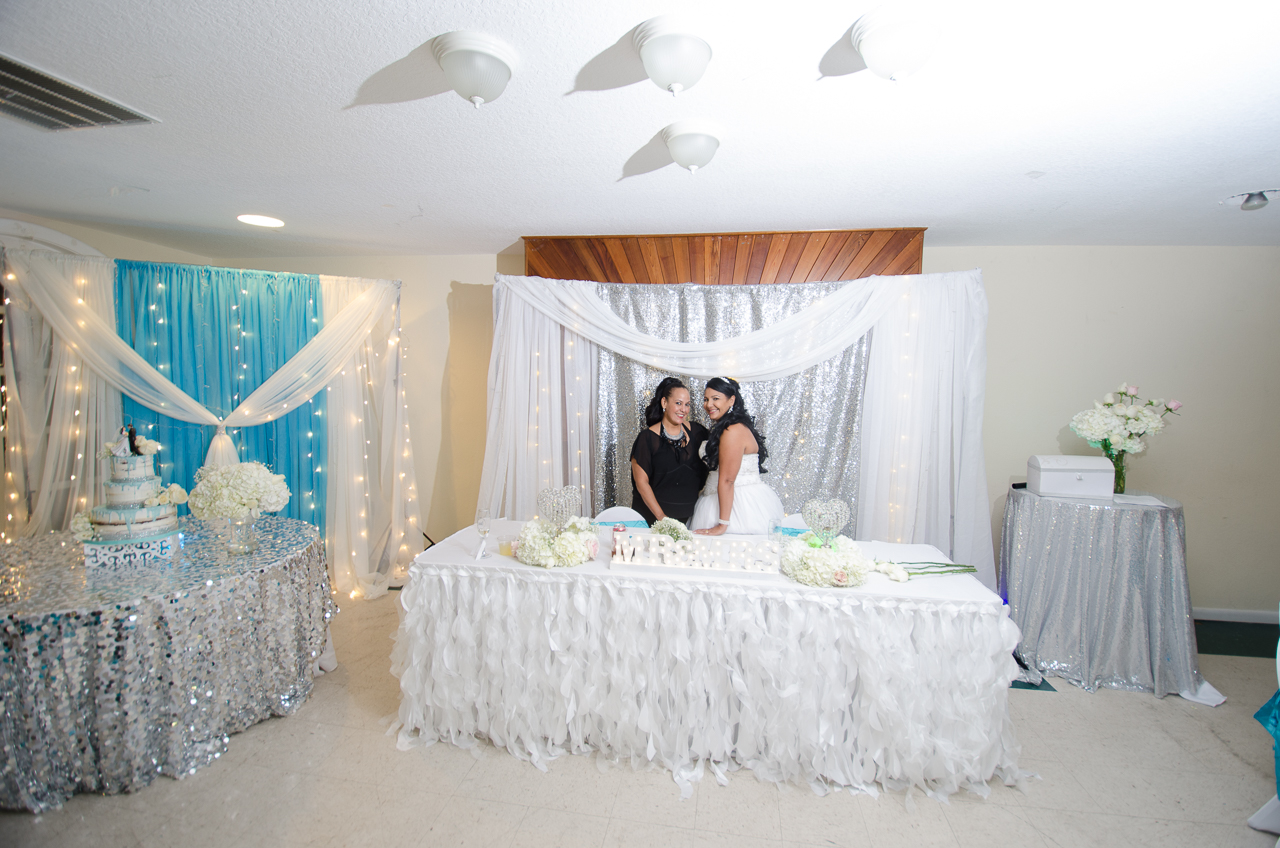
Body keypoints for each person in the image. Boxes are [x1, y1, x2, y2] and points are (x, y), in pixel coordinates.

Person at [690, 377, 784, 536]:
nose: (709, 404)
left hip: (737, 506)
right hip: (716, 499)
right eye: (706, 399)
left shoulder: (732, 430)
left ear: (731, 400)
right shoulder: (730, 426)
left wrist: (722, 525)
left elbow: (727, 480)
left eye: (715, 399)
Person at [629, 377, 709, 526]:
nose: (683, 409)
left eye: (687, 404)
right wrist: (663, 519)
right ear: (664, 403)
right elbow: (641, 483)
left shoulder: (697, 432)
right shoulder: (646, 438)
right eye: (678, 403)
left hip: (690, 520)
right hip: (654, 520)